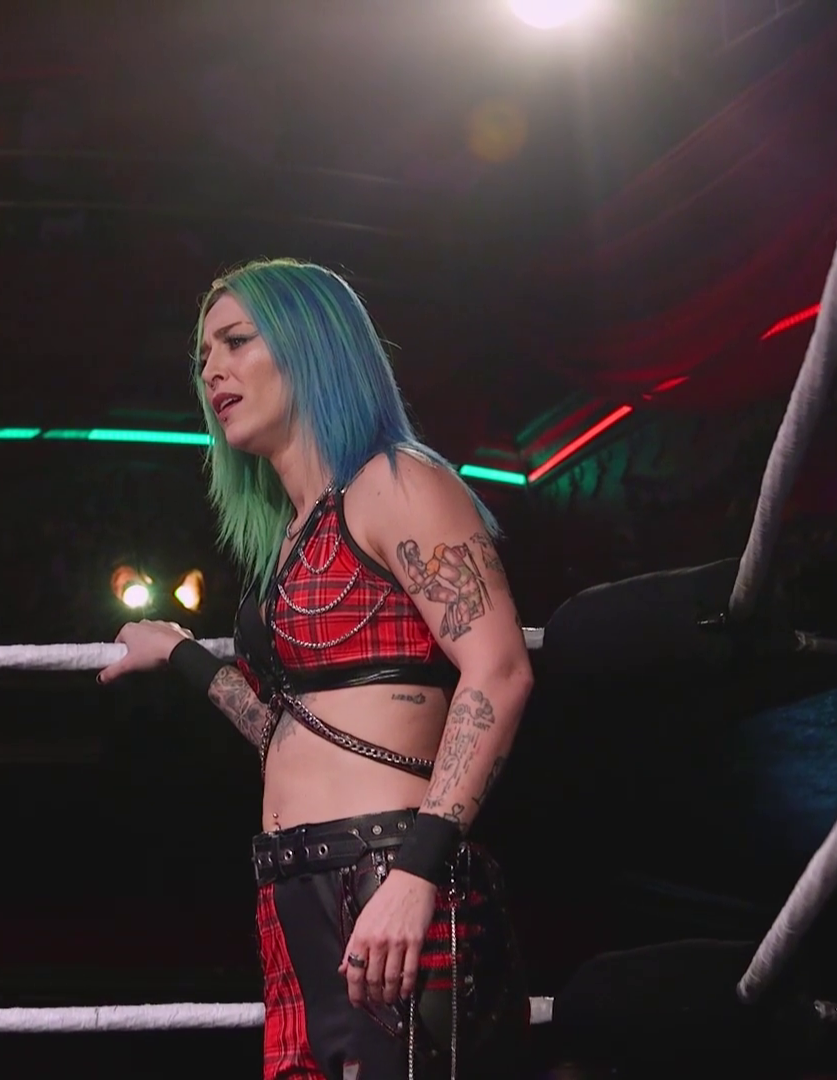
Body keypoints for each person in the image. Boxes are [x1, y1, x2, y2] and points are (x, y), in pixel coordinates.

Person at [98, 259, 533, 1079]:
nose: (212, 371)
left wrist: (416, 872)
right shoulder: (292, 534)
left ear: (311, 346)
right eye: (203, 356)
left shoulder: (397, 480)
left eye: (236, 341)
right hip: (293, 890)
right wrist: (185, 657)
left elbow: (500, 670)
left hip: (390, 870)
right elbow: (296, 736)